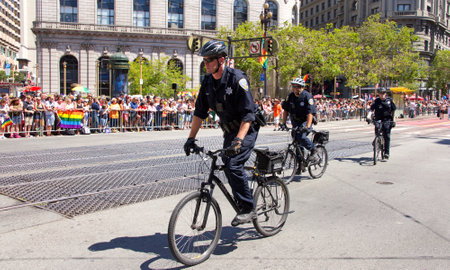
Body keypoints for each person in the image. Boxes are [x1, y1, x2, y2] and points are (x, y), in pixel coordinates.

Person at [183, 40, 259, 226]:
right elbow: (199, 113)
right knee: (227, 165)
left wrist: (239, 140)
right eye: (205, 59)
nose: (206, 63)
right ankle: (243, 194)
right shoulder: (208, 82)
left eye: (210, 59)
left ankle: (248, 207)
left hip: (246, 129)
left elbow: (248, 114)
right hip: (229, 132)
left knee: (233, 165)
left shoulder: (237, 79)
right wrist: (190, 139)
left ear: (222, 60)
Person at [281, 77, 317, 167]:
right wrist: (283, 123)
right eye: (293, 86)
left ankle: (313, 149)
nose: (295, 89)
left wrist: (307, 126)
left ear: (302, 87)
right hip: (295, 121)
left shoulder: (307, 96)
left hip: (305, 121)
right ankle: (300, 164)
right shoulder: (290, 96)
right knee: (297, 142)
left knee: (302, 136)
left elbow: (310, 113)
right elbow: (285, 110)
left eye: (297, 87)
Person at [369, 88, 396, 160]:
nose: (382, 95)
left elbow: (393, 111)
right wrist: (368, 117)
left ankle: (386, 153)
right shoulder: (377, 101)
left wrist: (394, 120)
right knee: (377, 130)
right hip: (378, 118)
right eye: (380, 93)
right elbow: (371, 110)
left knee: (387, 135)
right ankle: (376, 141)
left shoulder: (389, 101)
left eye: (383, 93)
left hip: (387, 119)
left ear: (385, 94)